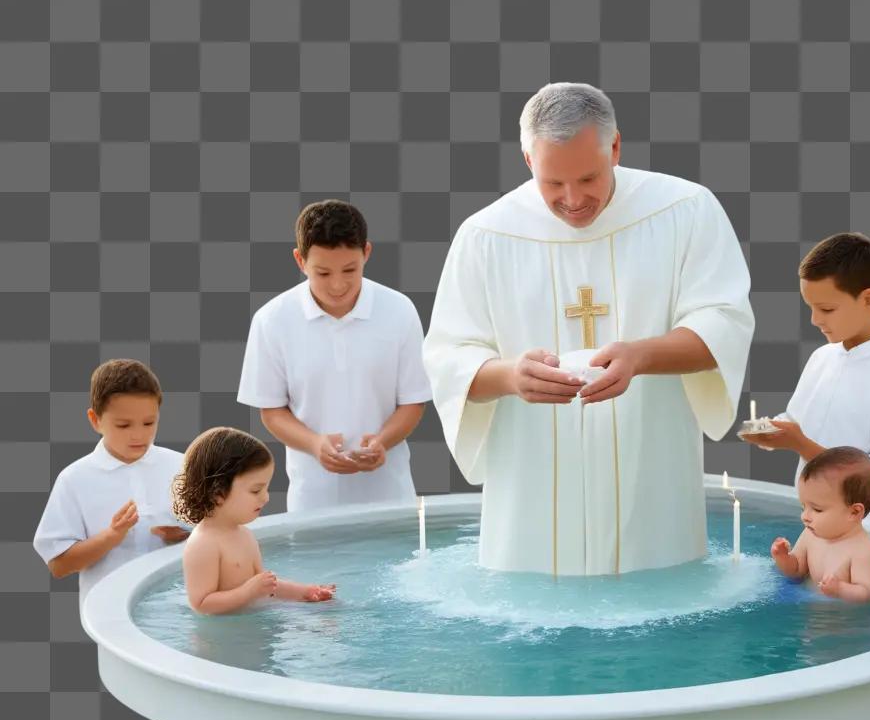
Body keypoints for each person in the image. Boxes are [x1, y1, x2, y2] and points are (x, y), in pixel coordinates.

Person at [423, 82, 754, 576]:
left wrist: (641, 356)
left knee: (662, 616)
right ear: (526, 157)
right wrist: (511, 376)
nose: (573, 200)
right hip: (530, 483)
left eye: (588, 177)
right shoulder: (485, 236)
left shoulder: (685, 209)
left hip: (650, 476)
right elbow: (449, 354)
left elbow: (724, 322)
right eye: (552, 183)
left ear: (615, 147)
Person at [237, 200, 433, 512]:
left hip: (392, 497)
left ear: (366, 253)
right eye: (323, 272)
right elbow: (272, 411)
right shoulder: (272, 320)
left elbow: (413, 400)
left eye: (350, 270)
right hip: (312, 499)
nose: (338, 285)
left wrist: (383, 440)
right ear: (300, 260)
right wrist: (315, 445)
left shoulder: (400, 310)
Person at [741, 232, 870, 521]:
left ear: (868, 299)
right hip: (816, 524)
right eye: (811, 308)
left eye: (826, 309)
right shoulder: (823, 357)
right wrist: (769, 431)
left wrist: (800, 444)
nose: (815, 320)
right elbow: (797, 420)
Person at [33, 359, 188, 609]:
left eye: (149, 423)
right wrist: (111, 536)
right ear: (95, 420)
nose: (139, 435)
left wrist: (186, 536)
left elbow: (220, 533)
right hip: (111, 616)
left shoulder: (182, 467)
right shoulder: (75, 479)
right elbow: (58, 565)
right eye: (123, 425)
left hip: (178, 608)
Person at [173, 427, 336, 615]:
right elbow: (201, 604)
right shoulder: (203, 544)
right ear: (218, 494)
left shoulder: (244, 534)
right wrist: (248, 592)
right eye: (256, 490)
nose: (266, 498)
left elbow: (265, 586)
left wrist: (306, 592)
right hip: (225, 640)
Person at [770, 446, 870, 603]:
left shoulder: (863, 550)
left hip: (841, 623)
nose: (805, 516)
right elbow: (796, 570)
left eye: (817, 509)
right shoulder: (810, 534)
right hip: (809, 608)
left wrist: (841, 589)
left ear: (854, 512)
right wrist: (783, 558)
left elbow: (866, 593)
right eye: (803, 507)